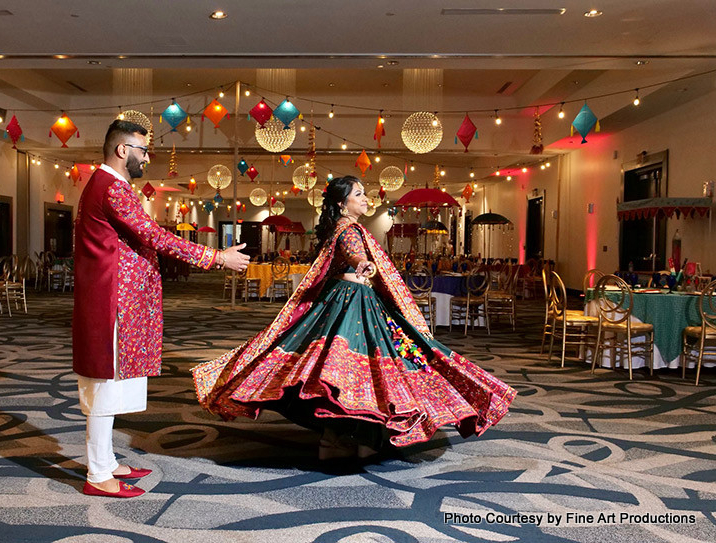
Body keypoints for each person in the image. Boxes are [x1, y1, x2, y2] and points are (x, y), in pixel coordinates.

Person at [192, 176, 515, 460]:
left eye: (364, 193)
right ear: (341, 202)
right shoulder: (348, 229)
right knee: (355, 372)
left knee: (342, 373)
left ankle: (344, 440)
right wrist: (363, 263)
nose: (365, 198)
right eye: (359, 194)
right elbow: (353, 252)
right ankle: (349, 440)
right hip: (351, 303)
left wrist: (365, 266)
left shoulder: (345, 227)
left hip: (352, 301)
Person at [73, 120, 249, 498]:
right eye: (142, 150)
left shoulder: (108, 186)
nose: (147, 158)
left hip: (117, 300)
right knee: (105, 385)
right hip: (112, 303)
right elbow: (153, 236)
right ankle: (98, 473)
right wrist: (215, 257)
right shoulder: (112, 188)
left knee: (112, 384)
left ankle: (105, 460)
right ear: (123, 150)